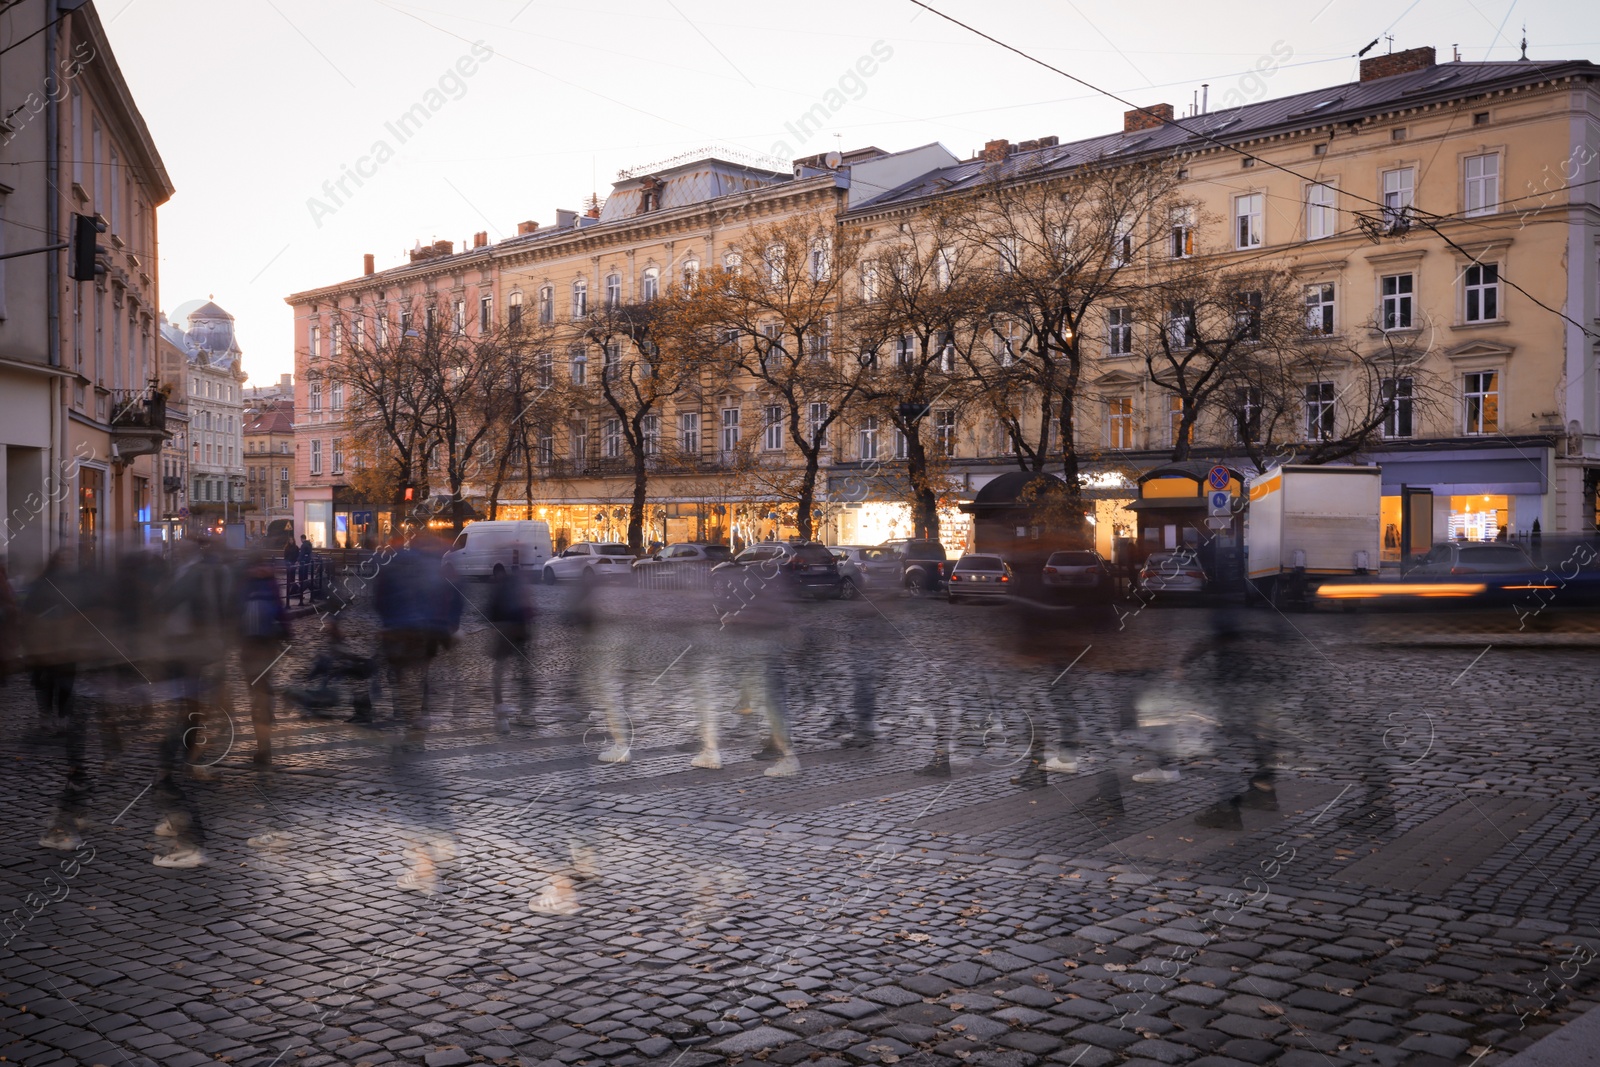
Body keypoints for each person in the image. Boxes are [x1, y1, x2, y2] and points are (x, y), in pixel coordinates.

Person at [238, 557, 290, 767]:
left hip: (262, 644)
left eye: (263, 565)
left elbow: (279, 609)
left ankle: (263, 745)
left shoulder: (255, 584)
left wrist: (287, 632)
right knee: (258, 687)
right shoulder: (260, 584)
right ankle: (265, 715)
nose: (260, 569)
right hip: (253, 644)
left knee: (258, 687)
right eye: (257, 565)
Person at [486, 565, 534, 733]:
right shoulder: (518, 583)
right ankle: (526, 710)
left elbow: (490, 610)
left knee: (500, 669)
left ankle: (500, 706)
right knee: (522, 669)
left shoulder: (500, 586)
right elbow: (529, 608)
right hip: (519, 629)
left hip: (508, 629)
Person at [297, 535, 314, 604]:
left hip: (303, 563)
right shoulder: (309, 544)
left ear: (302, 539)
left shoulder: (304, 545)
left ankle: (300, 592)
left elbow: (302, 554)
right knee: (305, 577)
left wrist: (298, 560)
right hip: (307, 562)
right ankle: (310, 591)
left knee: (302, 578)